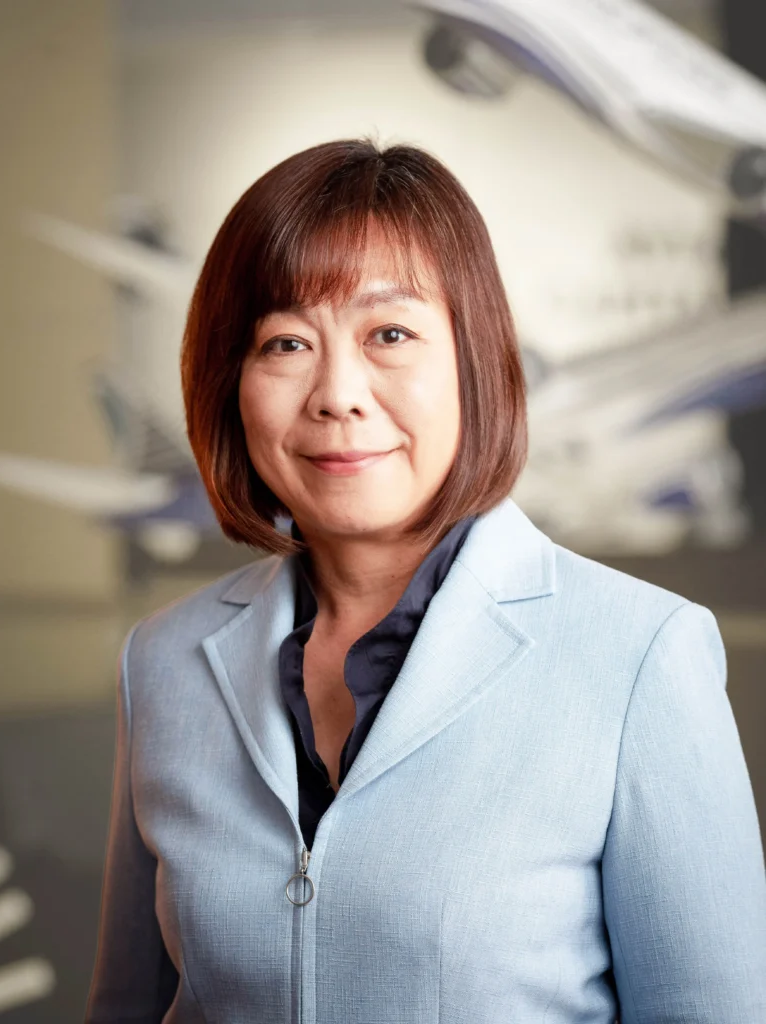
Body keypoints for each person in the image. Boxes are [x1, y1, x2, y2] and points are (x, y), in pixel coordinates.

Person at [85, 139, 766, 1024]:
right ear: (233, 384)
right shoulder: (166, 659)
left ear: (474, 361)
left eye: (391, 334)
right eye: (285, 342)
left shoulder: (639, 655)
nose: (338, 394)